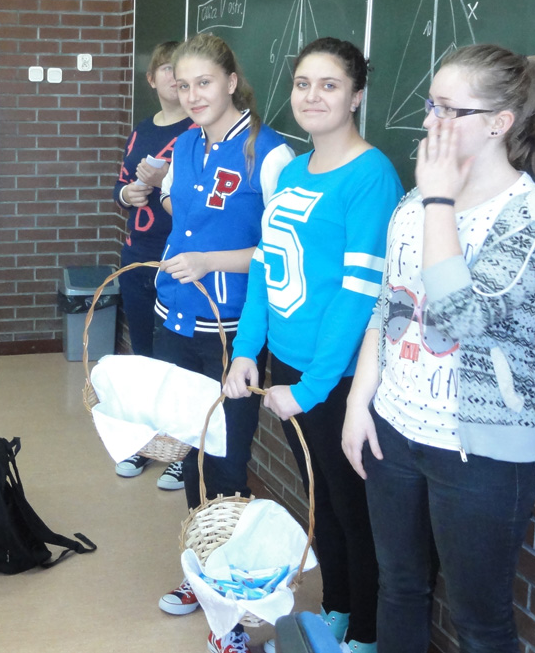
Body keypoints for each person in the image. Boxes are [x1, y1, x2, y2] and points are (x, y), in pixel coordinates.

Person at [340, 44, 535, 653]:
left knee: (481, 624)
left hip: (479, 451)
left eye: (447, 109)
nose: (430, 120)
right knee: (398, 587)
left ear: (499, 123)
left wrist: (439, 201)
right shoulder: (412, 204)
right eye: (431, 104)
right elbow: (389, 305)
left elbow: (462, 317)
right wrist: (358, 402)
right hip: (394, 429)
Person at [224, 38, 402, 653]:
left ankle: (366, 636)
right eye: (303, 84)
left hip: (337, 379)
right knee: (321, 504)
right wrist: (246, 351)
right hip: (289, 367)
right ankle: (337, 610)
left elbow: (360, 293)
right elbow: (265, 268)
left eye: (329, 85)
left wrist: (312, 388)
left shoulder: (371, 175)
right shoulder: (293, 170)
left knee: (354, 512)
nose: (312, 96)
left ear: (356, 96)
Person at [150, 33, 295, 649]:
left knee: (228, 465)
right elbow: (175, 204)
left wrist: (212, 260)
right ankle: (202, 573)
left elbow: (283, 250)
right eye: (182, 85)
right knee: (192, 452)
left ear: (232, 81)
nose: (192, 95)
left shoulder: (271, 152)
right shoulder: (185, 143)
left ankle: (232, 605)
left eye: (204, 82)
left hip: (231, 331)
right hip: (174, 321)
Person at [112, 40, 194, 490]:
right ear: (152, 78)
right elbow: (121, 185)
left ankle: (182, 452)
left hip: (180, 261)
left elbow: (202, 203)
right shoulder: (141, 130)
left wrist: (166, 183)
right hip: (137, 255)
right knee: (144, 357)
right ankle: (146, 443)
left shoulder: (199, 131)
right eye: (166, 70)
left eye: (182, 72)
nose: (175, 79)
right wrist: (127, 194)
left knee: (178, 363)